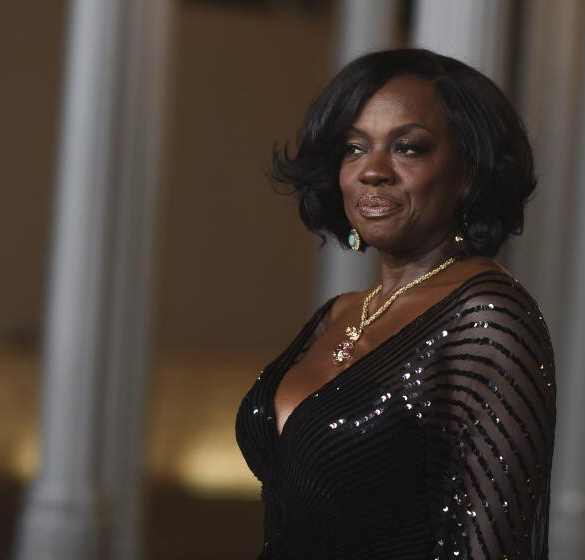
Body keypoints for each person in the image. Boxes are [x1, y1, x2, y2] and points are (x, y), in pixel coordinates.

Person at [236, 48, 556, 560]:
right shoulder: (337, 314)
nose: (373, 171)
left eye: (408, 148)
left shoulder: (488, 319)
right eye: (353, 148)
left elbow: (494, 548)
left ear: (469, 171)